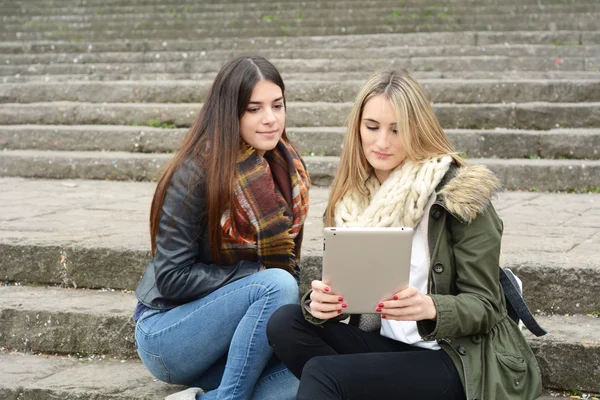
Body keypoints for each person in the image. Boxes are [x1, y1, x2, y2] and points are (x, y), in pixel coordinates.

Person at [267, 69, 542, 400]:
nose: (382, 142)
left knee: (325, 375)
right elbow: (355, 293)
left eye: (397, 130)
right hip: (391, 345)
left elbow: (486, 306)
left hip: (456, 358)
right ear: (357, 127)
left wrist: (430, 307)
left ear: (417, 130)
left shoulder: (458, 194)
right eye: (372, 127)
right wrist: (325, 303)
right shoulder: (353, 198)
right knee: (287, 322)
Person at [132, 56, 309, 400]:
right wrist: (255, 275)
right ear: (231, 112)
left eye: (277, 105)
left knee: (319, 370)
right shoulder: (195, 173)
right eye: (254, 109)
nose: (270, 119)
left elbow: (286, 269)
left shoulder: (288, 170)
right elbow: (171, 277)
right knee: (275, 284)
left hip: (237, 337)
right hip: (169, 333)